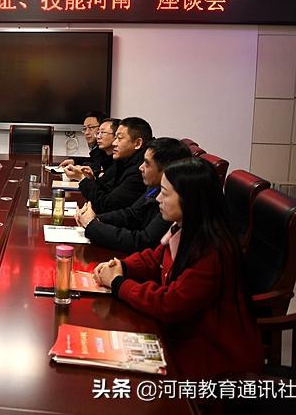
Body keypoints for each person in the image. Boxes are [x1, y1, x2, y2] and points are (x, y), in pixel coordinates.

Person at [93, 158, 262, 380]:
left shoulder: (212, 250)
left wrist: (119, 284)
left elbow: (170, 304)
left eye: (164, 193)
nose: (158, 199)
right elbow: (155, 259)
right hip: (181, 336)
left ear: (189, 200)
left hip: (213, 359)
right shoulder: (184, 227)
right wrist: (122, 266)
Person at [76, 137, 192, 253]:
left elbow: (142, 242)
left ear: (167, 170)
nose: (140, 167)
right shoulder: (154, 187)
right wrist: (95, 218)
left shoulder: (175, 202)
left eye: (147, 164)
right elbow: (132, 214)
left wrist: (93, 225)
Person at [66, 117, 150, 213]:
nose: (114, 143)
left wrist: (82, 179)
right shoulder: (124, 162)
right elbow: (105, 189)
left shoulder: (139, 170)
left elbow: (107, 204)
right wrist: (91, 179)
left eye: (119, 138)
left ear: (138, 143)